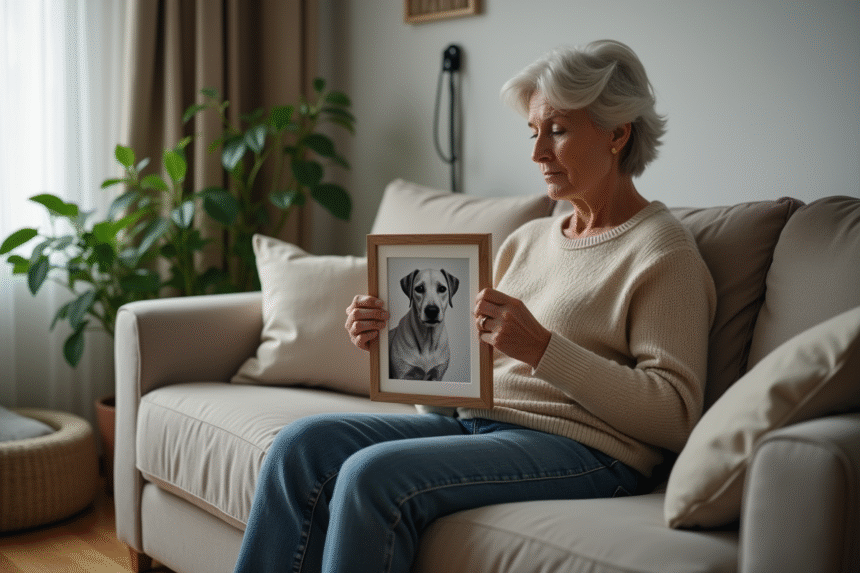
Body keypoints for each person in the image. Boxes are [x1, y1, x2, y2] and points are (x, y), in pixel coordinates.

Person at [234, 39, 716, 573]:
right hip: (480, 425)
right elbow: (453, 397)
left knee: (371, 476)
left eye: (557, 130)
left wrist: (542, 349)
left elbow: (675, 414)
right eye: (534, 133)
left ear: (618, 134)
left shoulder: (662, 250)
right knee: (301, 446)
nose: (537, 153)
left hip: (589, 451)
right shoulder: (529, 240)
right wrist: (390, 345)